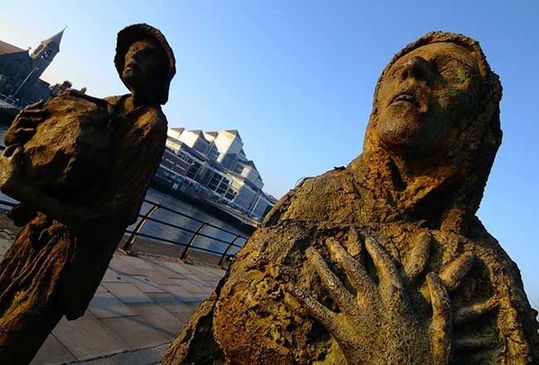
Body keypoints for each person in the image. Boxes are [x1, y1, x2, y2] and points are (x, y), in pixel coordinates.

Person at [163, 32, 539, 364]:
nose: (414, 67)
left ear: (474, 125)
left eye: (451, 71)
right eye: (399, 68)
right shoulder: (313, 194)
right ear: (376, 107)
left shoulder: (486, 276)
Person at [0, 23, 175, 364]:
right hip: (37, 235)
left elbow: (112, 216)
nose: (134, 55)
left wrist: (21, 189)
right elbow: (55, 157)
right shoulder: (105, 104)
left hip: (68, 257)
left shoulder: (151, 125)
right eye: (131, 50)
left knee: (15, 334)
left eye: (147, 54)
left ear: (162, 74)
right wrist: (18, 136)